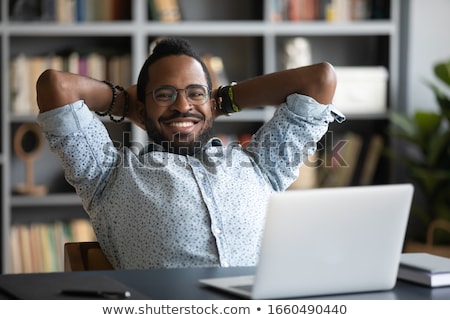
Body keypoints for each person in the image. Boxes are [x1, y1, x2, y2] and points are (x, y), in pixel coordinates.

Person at [36, 37, 343, 269]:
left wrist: (221, 102)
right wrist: (126, 105)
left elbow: (319, 80)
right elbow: (56, 86)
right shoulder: (107, 177)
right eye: (165, 95)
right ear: (142, 109)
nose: (183, 106)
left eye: (195, 93)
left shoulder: (261, 165)